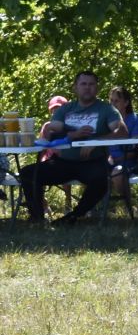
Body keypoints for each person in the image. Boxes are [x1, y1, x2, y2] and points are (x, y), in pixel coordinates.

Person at [22, 70, 126, 223]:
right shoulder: (66, 109)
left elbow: (122, 131)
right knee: (28, 173)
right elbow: (52, 128)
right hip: (63, 162)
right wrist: (71, 135)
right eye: (83, 84)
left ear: (97, 88)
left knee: (102, 179)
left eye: (91, 84)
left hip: (92, 162)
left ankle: (74, 216)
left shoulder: (106, 109)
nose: (87, 87)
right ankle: (37, 217)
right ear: (75, 87)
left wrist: (95, 141)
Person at [105, 85, 138, 200]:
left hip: (130, 163)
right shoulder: (105, 120)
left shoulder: (135, 119)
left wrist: (116, 160)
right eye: (111, 101)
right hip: (107, 161)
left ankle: (128, 205)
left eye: (117, 101)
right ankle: (93, 208)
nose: (113, 104)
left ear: (126, 102)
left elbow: (134, 151)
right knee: (89, 171)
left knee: (117, 173)